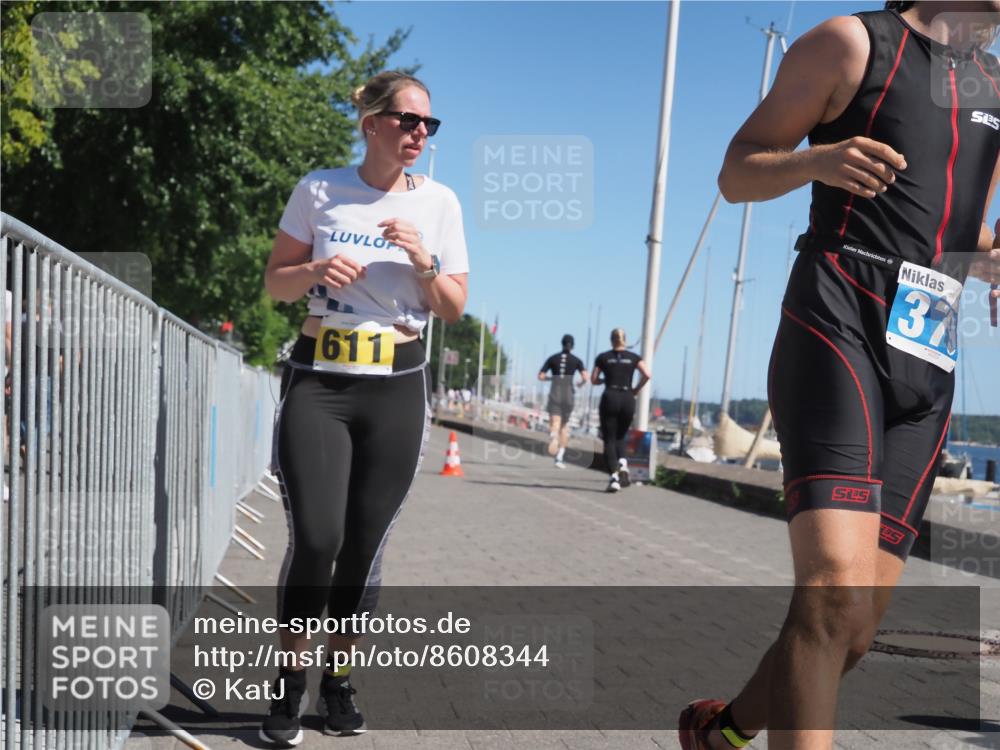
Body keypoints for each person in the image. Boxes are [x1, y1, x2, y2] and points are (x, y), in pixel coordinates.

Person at [680, 3, 999, 749]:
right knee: (830, 599)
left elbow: (953, 223)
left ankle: (722, 732)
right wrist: (815, 162)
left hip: (929, 346)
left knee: (850, 631)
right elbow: (737, 171)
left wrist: (989, 258)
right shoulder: (853, 43)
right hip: (838, 319)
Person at [262, 70, 469, 746]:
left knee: (363, 548)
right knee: (317, 538)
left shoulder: (440, 203)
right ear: (372, 123)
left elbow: (453, 306)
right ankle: (290, 683)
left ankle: (339, 682)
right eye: (408, 120)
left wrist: (423, 261)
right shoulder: (320, 190)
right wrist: (317, 272)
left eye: (428, 125)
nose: (419, 134)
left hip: (397, 385)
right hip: (319, 379)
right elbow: (275, 286)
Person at [591, 329, 650, 492]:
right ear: (625, 340)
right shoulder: (634, 357)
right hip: (627, 397)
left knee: (609, 439)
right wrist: (636, 389)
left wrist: (605, 379)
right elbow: (647, 374)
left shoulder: (603, 357)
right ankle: (623, 463)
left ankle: (614, 478)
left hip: (610, 396)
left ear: (611, 340)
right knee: (621, 436)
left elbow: (593, 379)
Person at [538, 334, 588, 468]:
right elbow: (585, 376)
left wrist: (551, 378)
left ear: (562, 344)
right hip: (568, 394)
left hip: (555, 392)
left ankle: (553, 436)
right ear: (573, 345)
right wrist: (580, 384)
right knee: (565, 426)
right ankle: (559, 456)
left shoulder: (552, 358)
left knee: (555, 422)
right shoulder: (577, 360)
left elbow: (540, 376)